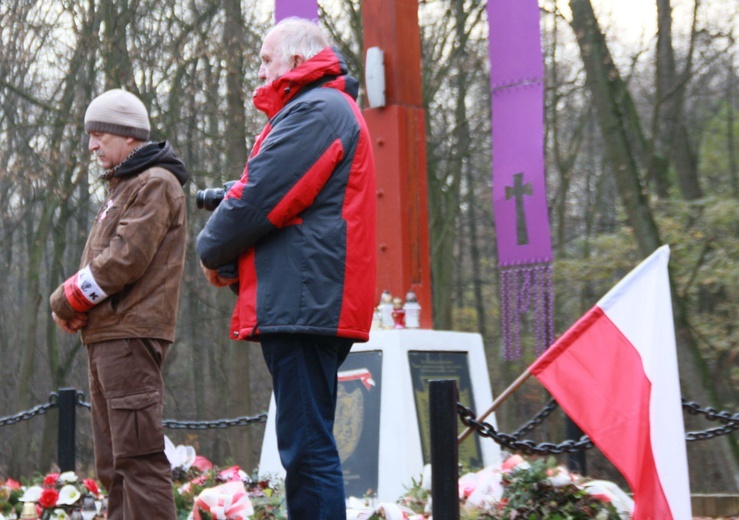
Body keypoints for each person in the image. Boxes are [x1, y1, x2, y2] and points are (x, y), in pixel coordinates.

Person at [197, 18, 376, 520]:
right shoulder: (324, 109)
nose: (260, 71)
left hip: (305, 301)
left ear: (297, 62)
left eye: (265, 60)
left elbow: (260, 199)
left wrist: (210, 248)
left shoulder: (316, 110)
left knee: (307, 450)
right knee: (306, 444)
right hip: (309, 298)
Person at [50, 88, 189, 520]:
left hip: (130, 336)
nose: (92, 146)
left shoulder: (154, 184)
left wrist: (65, 300)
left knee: (139, 461)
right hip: (109, 335)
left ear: (129, 136)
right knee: (114, 465)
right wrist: (79, 310)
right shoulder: (126, 186)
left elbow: (124, 259)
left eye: (100, 135)